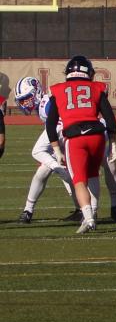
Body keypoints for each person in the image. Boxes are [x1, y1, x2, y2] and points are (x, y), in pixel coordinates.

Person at [45, 55, 116, 234]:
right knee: (93, 175)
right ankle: (93, 211)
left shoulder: (58, 89)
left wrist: (56, 149)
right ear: (89, 72)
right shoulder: (97, 87)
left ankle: (88, 218)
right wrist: (114, 144)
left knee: (79, 180)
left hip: (75, 137)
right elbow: (110, 118)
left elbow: (51, 123)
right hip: (97, 135)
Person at [13, 76, 72, 224]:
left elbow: (59, 123)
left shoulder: (46, 103)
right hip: (61, 138)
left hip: (66, 137)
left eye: (26, 98)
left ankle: (84, 209)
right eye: (22, 100)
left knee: (39, 152)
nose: (24, 103)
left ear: (36, 92)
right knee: (42, 172)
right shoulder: (43, 105)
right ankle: (28, 211)